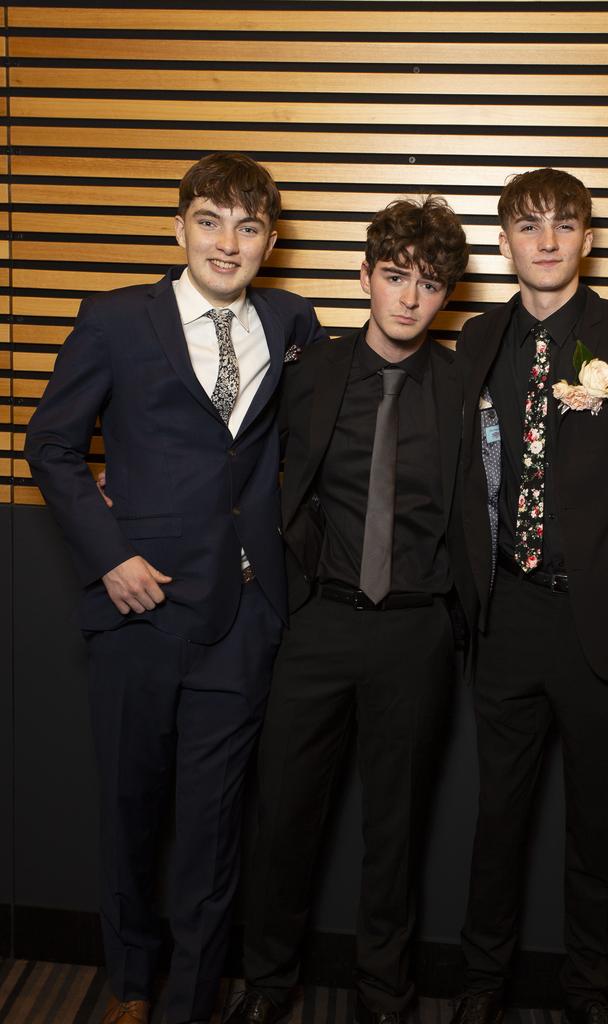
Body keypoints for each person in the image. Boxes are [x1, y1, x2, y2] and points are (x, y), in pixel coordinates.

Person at [227, 196, 608, 1024]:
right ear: (365, 276)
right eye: (394, 278)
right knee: (285, 814)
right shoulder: (311, 369)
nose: (409, 299)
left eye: (429, 284)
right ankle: (267, 981)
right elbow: (238, 459)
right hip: (320, 620)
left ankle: (383, 992)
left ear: (448, 294)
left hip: (420, 629)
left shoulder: (469, 382)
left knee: (397, 827)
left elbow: (562, 456)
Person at [24, 152, 326, 1024]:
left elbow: (356, 411)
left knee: (213, 827)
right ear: (180, 226)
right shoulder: (117, 320)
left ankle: (190, 1001)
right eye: (210, 221)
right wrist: (108, 554)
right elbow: (51, 445)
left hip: (243, 614)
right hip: (139, 607)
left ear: (270, 241)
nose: (227, 244)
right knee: (131, 811)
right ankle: (128, 985)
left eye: (248, 226)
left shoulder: (293, 320)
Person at [449, 168, 608, 1024]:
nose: (547, 240)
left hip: (603, 624)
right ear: (505, 242)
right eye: (529, 226)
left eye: (564, 224)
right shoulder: (478, 339)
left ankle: (587, 996)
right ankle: (481, 988)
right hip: (504, 617)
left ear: (587, 238)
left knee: (594, 830)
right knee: (496, 824)